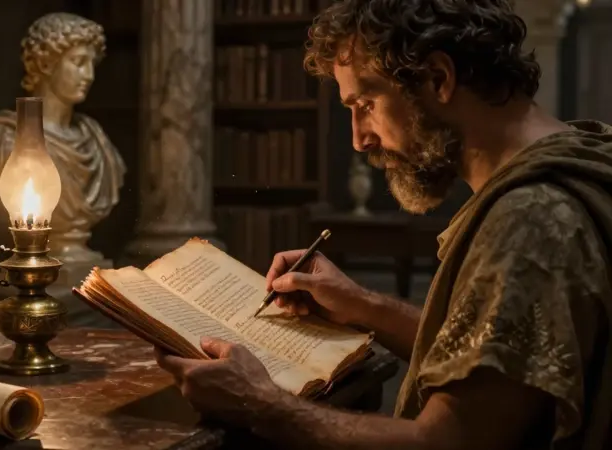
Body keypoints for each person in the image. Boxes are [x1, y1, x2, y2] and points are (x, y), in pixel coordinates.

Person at [154, 1, 612, 449]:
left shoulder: (528, 219)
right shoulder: (579, 151)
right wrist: (362, 306)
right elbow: (494, 358)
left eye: (366, 103)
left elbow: (448, 440)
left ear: (438, 78)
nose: (358, 139)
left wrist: (259, 402)